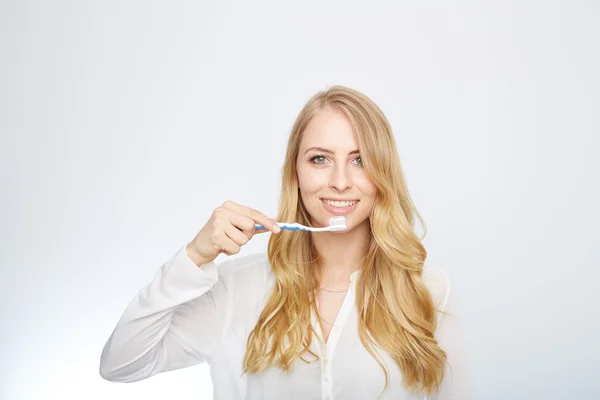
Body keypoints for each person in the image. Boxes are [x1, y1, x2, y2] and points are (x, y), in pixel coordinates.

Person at [99, 85, 472, 399]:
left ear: (383, 173)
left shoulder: (430, 290)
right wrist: (195, 256)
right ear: (295, 171)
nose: (340, 181)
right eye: (320, 159)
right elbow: (122, 363)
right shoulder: (235, 288)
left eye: (360, 160)